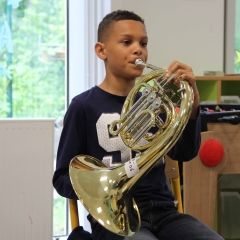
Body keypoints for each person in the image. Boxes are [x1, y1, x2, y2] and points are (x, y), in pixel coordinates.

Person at [53, 10, 223, 240]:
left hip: (165, 213)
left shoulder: (156, 101)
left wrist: (192, 105)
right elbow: (62, 177)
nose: (138, 49)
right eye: (127, 42)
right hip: (116, 219)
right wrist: (99, 190)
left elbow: (185, 153)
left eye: (143, 43)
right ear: (101, 50)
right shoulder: (83, 106)